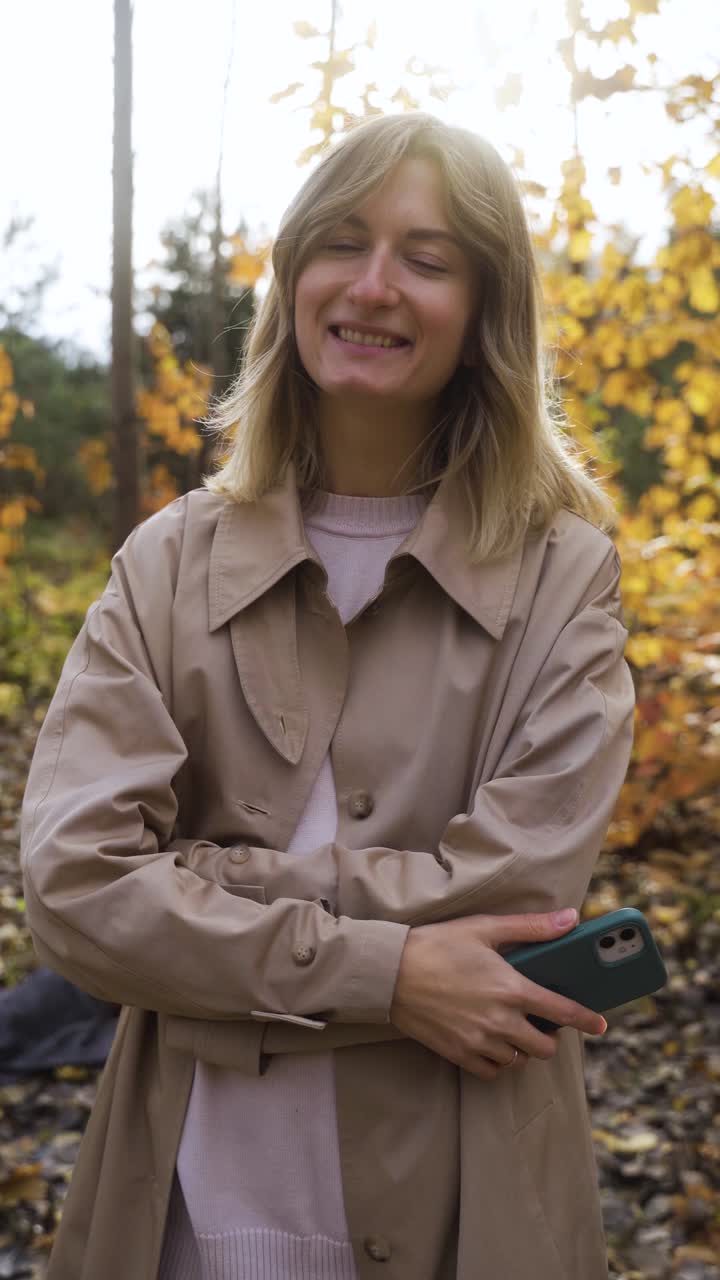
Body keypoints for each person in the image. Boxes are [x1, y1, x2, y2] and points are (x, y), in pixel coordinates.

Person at [20, 111, 635, 1280]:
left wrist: (199, 882)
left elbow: (517, 894)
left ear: (485, 310)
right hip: (184, 1193)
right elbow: (77, 885)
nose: (376, 285)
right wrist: (393, 970)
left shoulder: (564, 575)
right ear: (293, 276)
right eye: (342, 243)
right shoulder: (165, 563)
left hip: (468, 1194)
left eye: (430, 257)